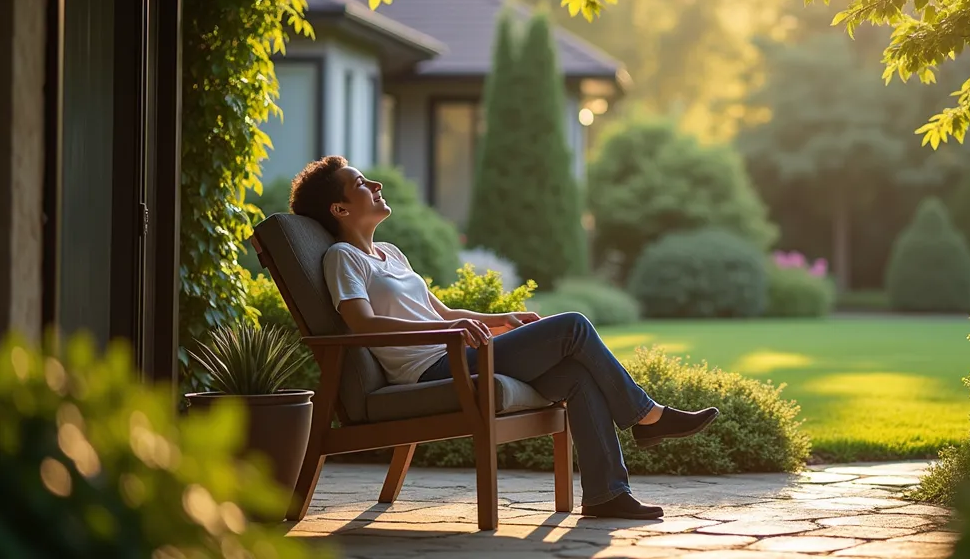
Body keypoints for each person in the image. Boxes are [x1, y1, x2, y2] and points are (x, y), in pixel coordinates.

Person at [288, 156, 718, 520]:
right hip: (435, 370)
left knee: (574, 375)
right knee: (573, 326)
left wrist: (501, 317)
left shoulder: (391, 255)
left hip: (455, 352)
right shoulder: (342, 258)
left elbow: (445, 313)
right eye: (361, 184)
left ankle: (607, 495)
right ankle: (646, 416)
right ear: (340, 210)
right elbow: (361, 324)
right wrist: (450, 332)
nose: (376, 184)